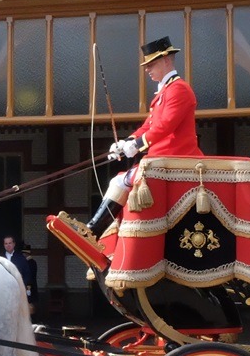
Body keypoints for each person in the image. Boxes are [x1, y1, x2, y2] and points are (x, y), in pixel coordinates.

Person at [85, 36, 203, 237]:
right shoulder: (166, 91)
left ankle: (93, 231)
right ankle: (96, 231)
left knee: (119, 182)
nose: (147, 69)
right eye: (147, 65)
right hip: (160, 158)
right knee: (119, 180)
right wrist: (127, 142)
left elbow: (165, 126)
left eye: (152, 64)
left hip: (175, 157)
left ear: (166, 60)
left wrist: (138, 145)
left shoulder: (179, 89)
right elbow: (149, 125)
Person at [2, 235, 35, 307]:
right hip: (3, 290)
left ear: (14, 244)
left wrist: (22, 286)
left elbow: (27, 274)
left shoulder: (21, 258)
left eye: (10, 243)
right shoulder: (0, 258)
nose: (8, 245)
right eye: (6, 243)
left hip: (18, 290)